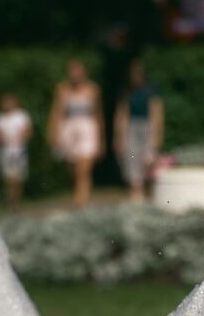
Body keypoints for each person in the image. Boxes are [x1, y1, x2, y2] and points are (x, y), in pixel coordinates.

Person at [47, 59, 103, 208]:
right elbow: (57, 112)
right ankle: (79, 195)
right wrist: (52, 132)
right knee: (73, 167)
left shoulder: (93, 89)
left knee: (84, 168)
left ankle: (81, 200)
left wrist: (101, 138)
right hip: (69, 129)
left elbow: (98, 113)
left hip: (88, 129)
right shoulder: (62, 90)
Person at [113, 59, 164, 201]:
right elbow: (122, 116)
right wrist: (119, 138)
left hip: (148, 128)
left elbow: (157, 114)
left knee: (148, 161)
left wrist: (156, 136)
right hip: (131, 129)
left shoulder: (151, 92)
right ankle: (135, 194)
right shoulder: (126, 93)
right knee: (131, 161)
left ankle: (148, 195)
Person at [0, 92, 32, 209]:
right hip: (5, 151)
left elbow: (27, 131)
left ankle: (15, 200)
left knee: (18, 176)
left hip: (19, 150)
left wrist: (20, 139)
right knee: (9, 177)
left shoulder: (21, 115)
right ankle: (11, 199)